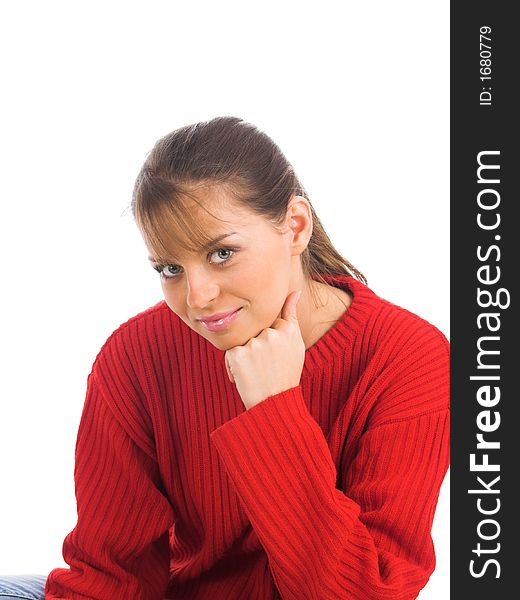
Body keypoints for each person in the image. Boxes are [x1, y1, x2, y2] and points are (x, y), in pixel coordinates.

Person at [2, 116, 450, 599]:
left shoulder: (408, 358)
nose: (197, 297)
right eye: (170, 268)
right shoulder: (136, 355)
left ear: (295, 226)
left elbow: (364, 594)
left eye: (222, 253)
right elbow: (112, 576)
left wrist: (273, 411)